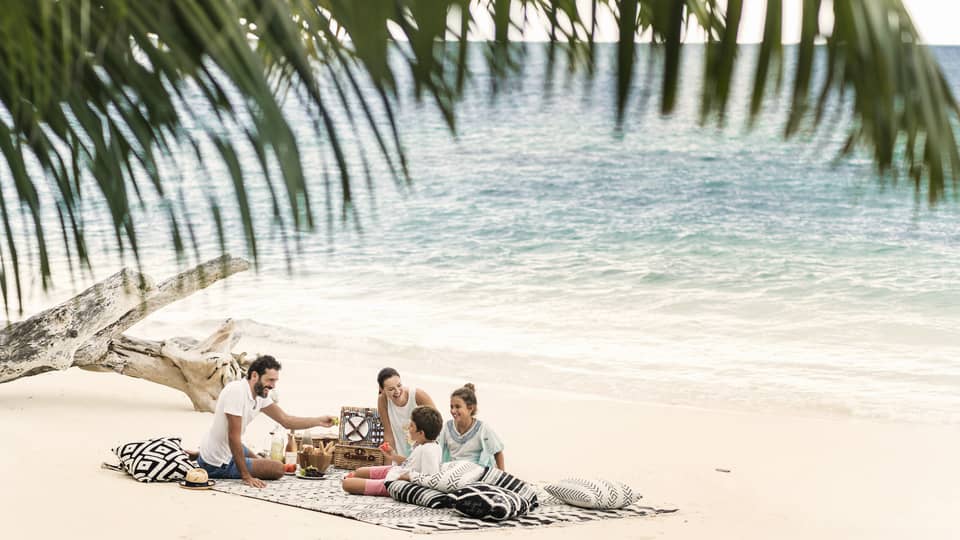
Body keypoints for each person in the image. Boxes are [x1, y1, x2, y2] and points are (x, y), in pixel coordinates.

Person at [197, 355, 337, 488]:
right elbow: (233, 437)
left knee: (261, 460)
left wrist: (319, 421)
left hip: (226, 447)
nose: (273, 386)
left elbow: (286, 420)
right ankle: (203, 459)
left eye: (275, 381)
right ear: (254, 376)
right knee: (277, 468)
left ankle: (198, 454)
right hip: (217, 462)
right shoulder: (237, 392)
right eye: (270, 380)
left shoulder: (260, 395)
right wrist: (246, 476)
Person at [341, 406, 443, 496]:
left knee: (347, 484)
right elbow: (412, 463)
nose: (408, 427)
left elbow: (430, 478)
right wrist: (393, 455)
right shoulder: (423, 444)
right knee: (359, 471)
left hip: (396, 483)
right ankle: (356, 477)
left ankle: (356, 480)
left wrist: (407, 477)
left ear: (421, 433)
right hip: (398, 470)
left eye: (411, 425)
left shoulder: (429, 450)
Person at [438, 383, 505, 470]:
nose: (453, 410)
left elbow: (497, 452)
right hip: (452, 471)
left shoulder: (482, 429)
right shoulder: (447, 427)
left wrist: (501, 475)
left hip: (475, 472)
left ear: (470, 408)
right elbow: (437, 449)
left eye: (457, 407)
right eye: (451, 407)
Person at [376, 367, 437, 458]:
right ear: (382, 389)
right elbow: (388, 433)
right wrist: (389, 464)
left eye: (399, 385)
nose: (397, 391)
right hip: (400, 459)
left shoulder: (418, 395)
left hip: (423, 454)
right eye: (391, 389)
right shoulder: (382, 400)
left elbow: (436, 424)